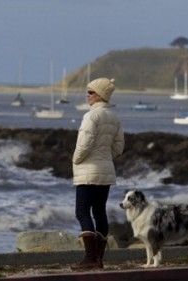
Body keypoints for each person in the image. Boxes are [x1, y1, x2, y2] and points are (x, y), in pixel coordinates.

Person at [71, 77, 125, 270]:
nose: (88, 95)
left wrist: (76, 159)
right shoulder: (114, 117)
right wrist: (104, 156)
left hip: (88, 171)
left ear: (100, 95)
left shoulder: (91, 116)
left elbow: (83, 144)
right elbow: (119, 147)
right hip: (105, 170)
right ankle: (98, 259)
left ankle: (89, 258)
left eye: (91, 92)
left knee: (82, 211)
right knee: (100, 212)